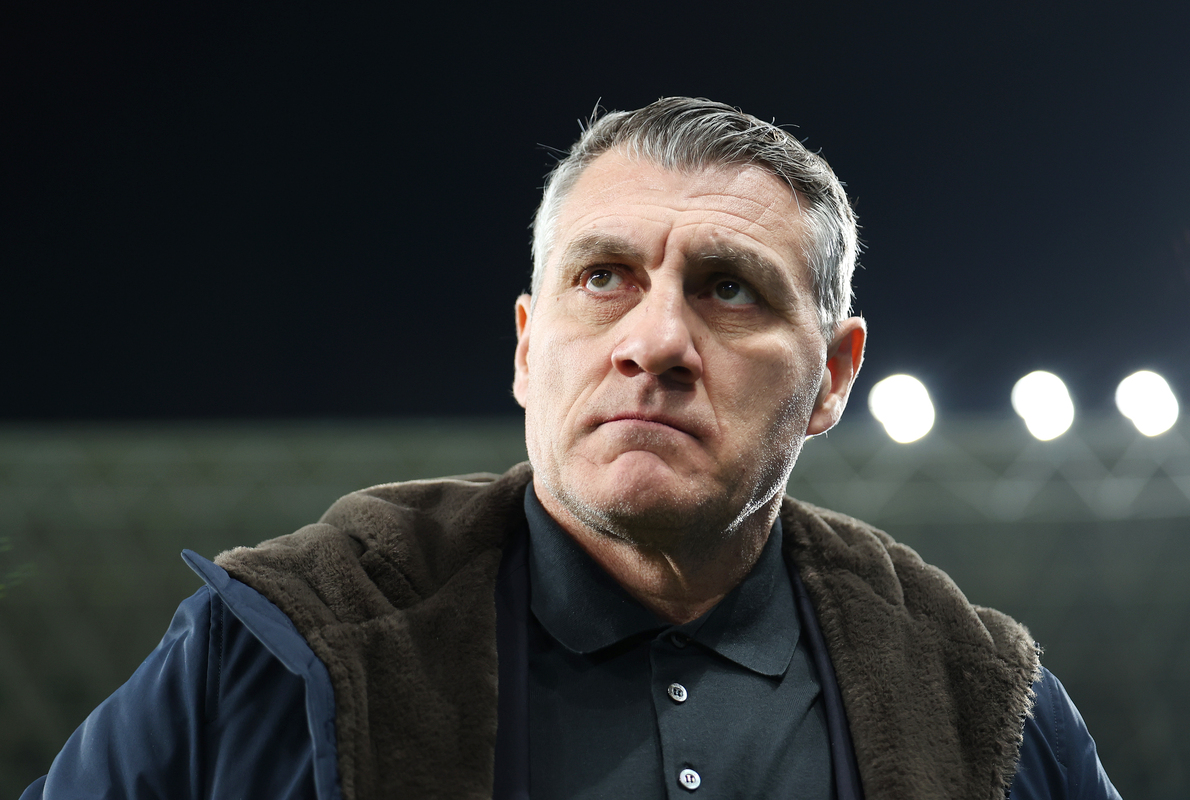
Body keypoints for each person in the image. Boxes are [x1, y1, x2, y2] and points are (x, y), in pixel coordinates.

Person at [23, 97, 1120, 800]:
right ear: (525, 345)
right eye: (604, 277)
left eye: (729, 288)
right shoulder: (267, 649)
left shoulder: (987, 702)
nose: (657, 341)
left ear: (832, 376)